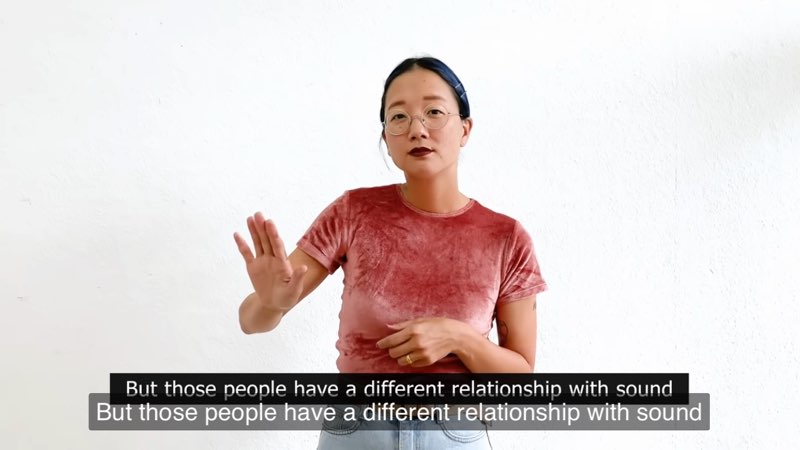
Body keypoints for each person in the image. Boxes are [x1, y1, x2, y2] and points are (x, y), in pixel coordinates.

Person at [234, 56, 547, 449]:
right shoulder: (353, 212)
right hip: (357, 432)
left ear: (465, 129)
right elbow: (251, 320)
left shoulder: (506, 237)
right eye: (398, 118)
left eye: (434, 112)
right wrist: (272, 304)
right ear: (386, 137)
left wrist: (461, 339)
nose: (417, 129)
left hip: (455, 433)